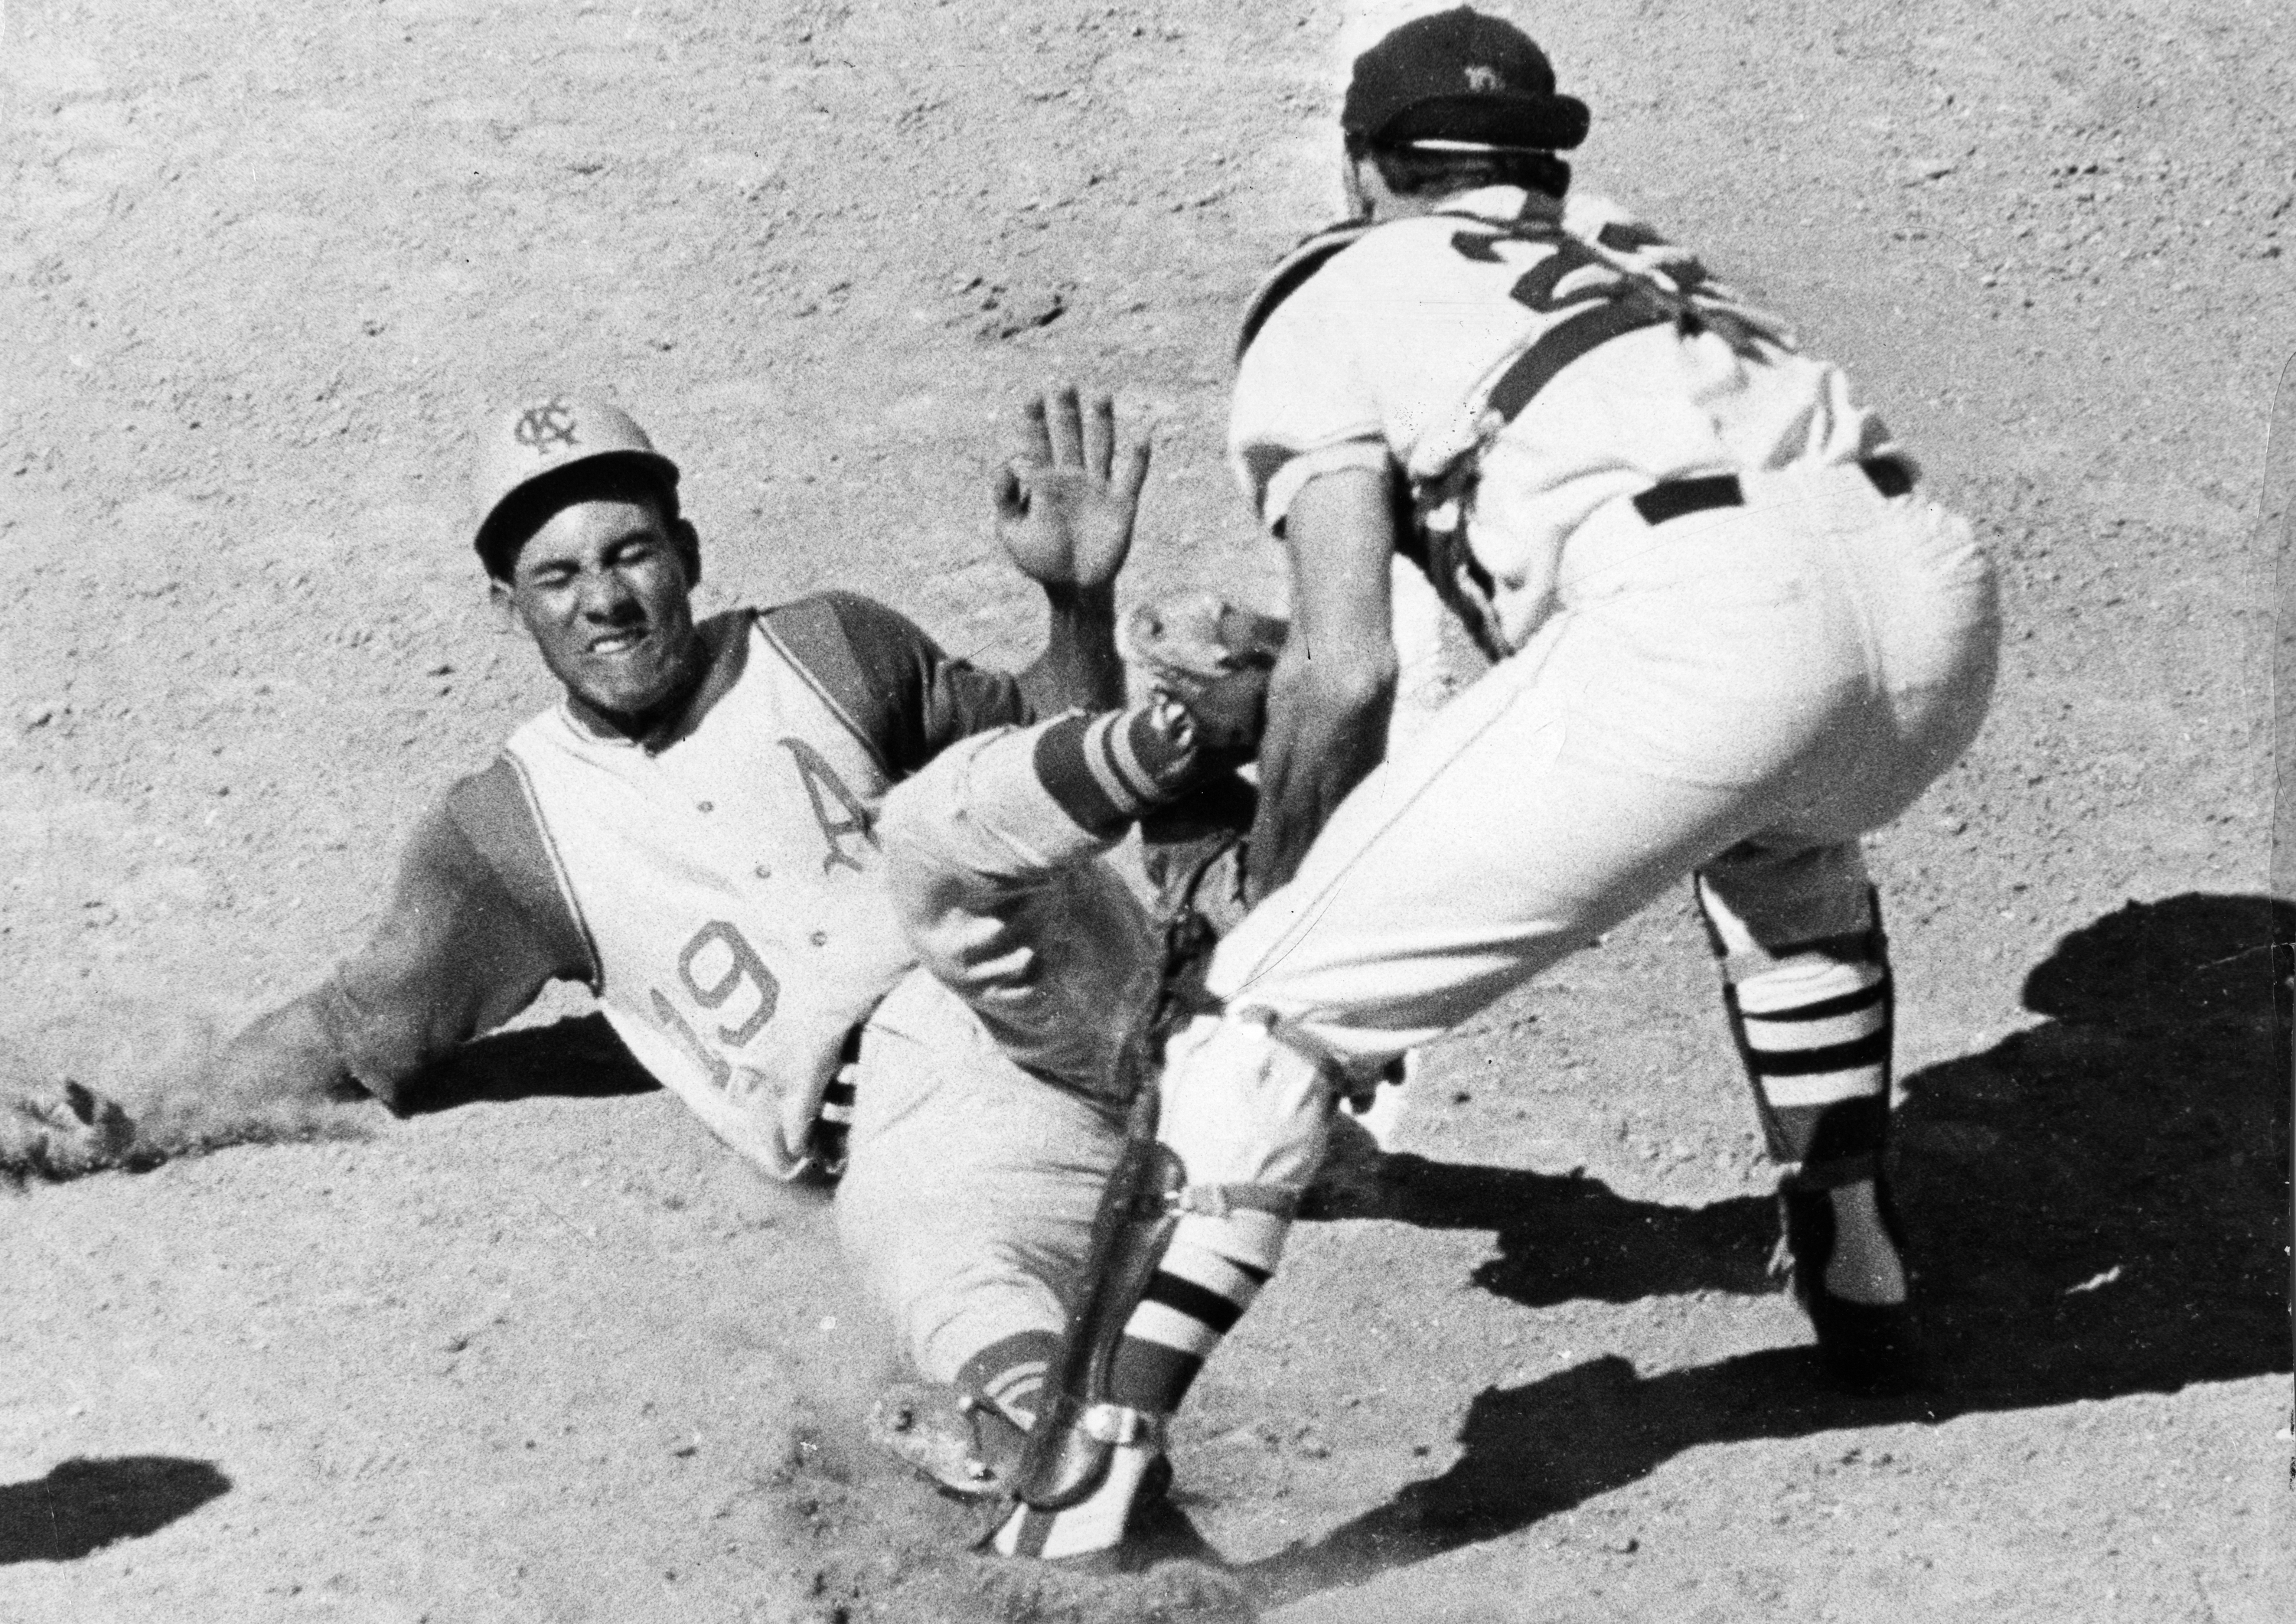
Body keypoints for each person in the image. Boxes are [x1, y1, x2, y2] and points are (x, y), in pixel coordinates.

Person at [983, 7, 2002, 1561]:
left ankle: (1075, 1511)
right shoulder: (1651, 259)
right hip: (1934, 598)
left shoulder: (1334, 284)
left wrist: (1277, 897)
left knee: (1256, 1018)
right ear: (1543, 159)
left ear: (1360, 162)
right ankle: (1860, 1275)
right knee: (1785, 844)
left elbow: (1348, 669)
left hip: (1709, 630)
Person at [32, 384, 1213, 1447]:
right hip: (918, 1131)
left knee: (953, 831)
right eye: (559, 577)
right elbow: (352, 1028)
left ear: (687, 553)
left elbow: (1048, 772)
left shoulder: (827, 644)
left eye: (631, 553)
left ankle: (1205, 769)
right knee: (931, 1271)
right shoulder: (510, 834)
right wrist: (145, 1124)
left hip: (1052, 968)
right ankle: (1066, 1465)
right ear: (511, 607)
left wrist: (1076, 602)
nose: (605, 600)